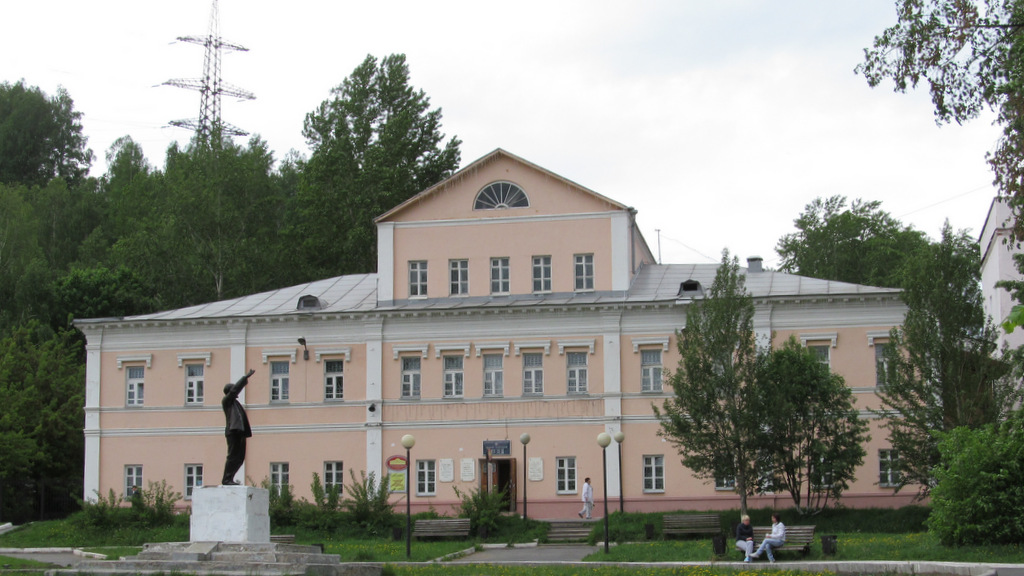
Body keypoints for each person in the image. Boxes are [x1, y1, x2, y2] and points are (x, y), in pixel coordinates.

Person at [221, 368, 256, 485]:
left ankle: (230, 478)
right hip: (232, 432)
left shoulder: (236, 404)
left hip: (239, 432)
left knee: (240, 458)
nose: (236, 392)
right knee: (232, 456)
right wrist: (245, 378)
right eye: (233, 389)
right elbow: (235, 390)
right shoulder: (227, 401)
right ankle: (226, 479)